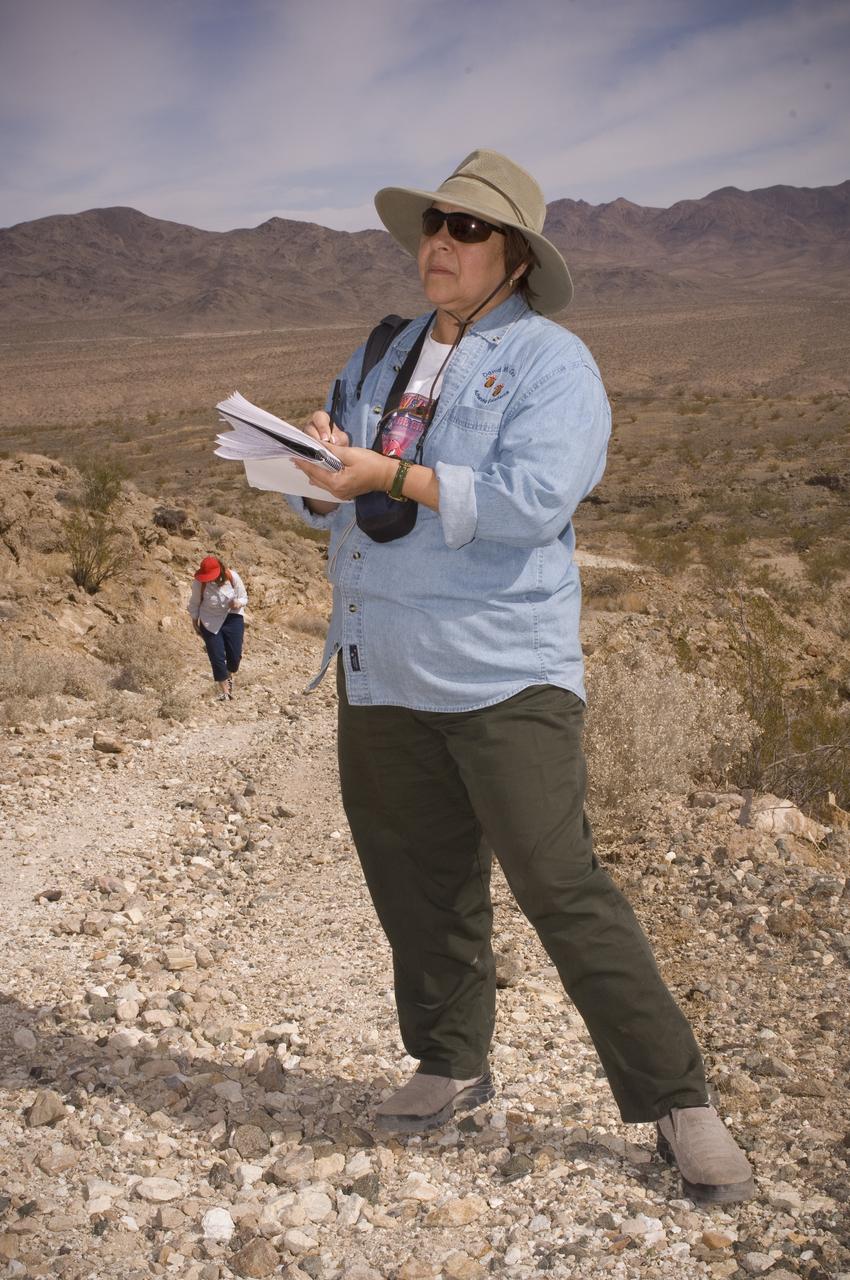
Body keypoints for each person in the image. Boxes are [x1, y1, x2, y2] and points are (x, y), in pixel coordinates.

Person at [288, 150, 754, 1205]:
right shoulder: (379, 353)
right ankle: (452, 1066)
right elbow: (329, 486)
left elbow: (534, 497)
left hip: (504, 674)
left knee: (561, 885)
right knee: (416, 880)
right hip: (380, 664)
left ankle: (680, 1103)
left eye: (464, 230)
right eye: (432, 227)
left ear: (513, 258)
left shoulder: (552, 363)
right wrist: (317, 475)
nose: (437, 246)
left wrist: (386, 472)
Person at [188, 555, 247, 701]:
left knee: (235, 656)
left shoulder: (232, 577)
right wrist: (194, 620)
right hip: (210, 620)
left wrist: (238, 603)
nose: (208, 579)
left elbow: (244, 597)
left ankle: (229, 673)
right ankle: (226, 692)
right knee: (216, 656)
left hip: (233, 617)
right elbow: (194, 602)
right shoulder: (198, 583)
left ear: (219, 570)